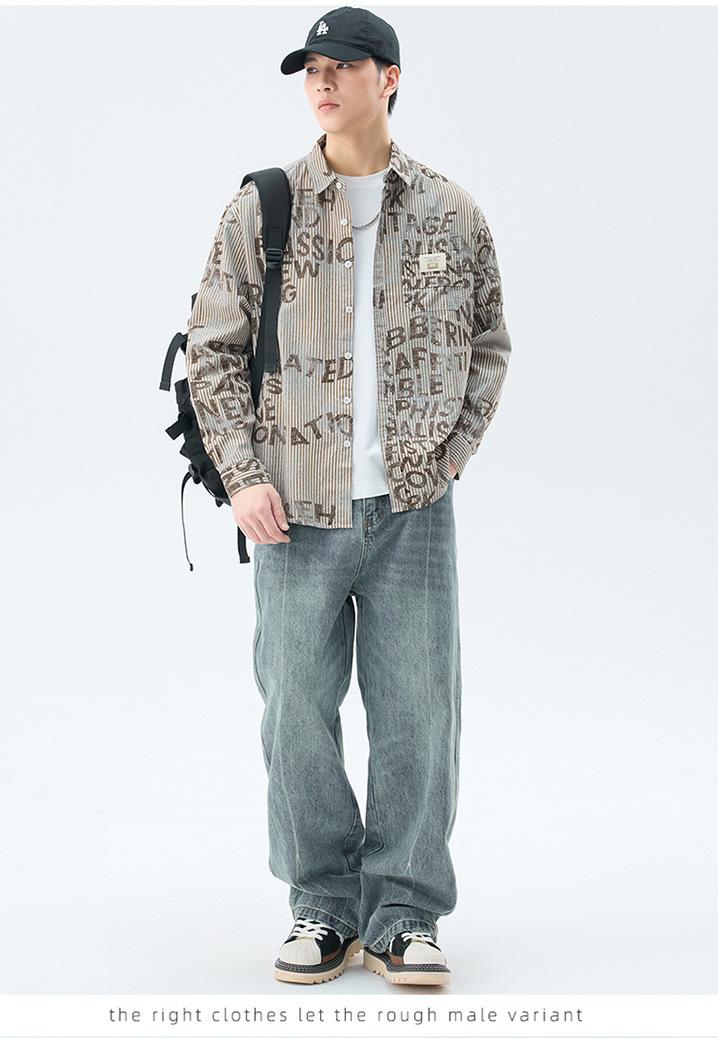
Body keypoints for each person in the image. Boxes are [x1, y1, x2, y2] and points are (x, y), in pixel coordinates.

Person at [185, 5, 512, 986]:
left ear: (389, 78)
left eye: (343, 65)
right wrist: (242, 476)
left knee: (419, 713)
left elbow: (489, 343)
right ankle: (324, 905)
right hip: (294, 509)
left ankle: (405, 911)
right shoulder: (265, 206)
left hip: (413, 508)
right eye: (311, 69)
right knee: (295, 708)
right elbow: (213, 351)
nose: (322, 82)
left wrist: (451, 457)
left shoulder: (450, 212)